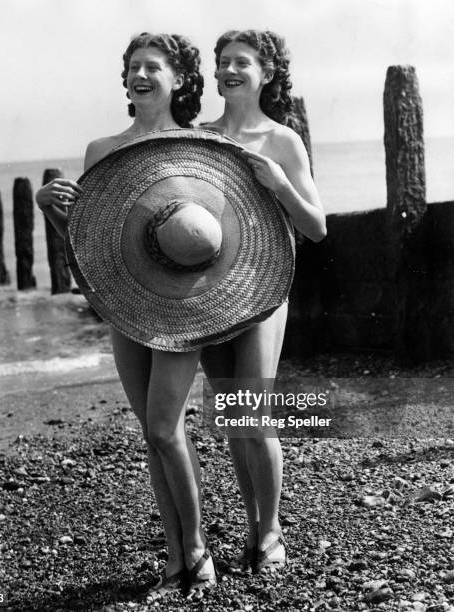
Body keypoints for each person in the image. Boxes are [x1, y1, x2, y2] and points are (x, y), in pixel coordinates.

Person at [35, 33, 215, 600]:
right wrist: (50, 210)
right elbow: (91, 248)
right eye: (133, 67)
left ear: (179, 79)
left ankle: (197, 549)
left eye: (152, 67)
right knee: (152, 435)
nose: (140, 76)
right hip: (125, 302)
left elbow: (216, 239)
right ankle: (172, 554)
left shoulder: (203, 146)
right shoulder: (101, 150)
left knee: (166, 427)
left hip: (182, 306)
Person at [200, 30, 326, 573]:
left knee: (257, 412)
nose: (229, 71)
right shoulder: (199, 136)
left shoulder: (282, 141)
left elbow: (316, 228)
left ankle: (270, 531)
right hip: (208, 294)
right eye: (222, 62)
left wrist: (277, 182)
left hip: (266, 289)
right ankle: (253, 522)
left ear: (267, 73)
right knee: (233, 416)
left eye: (241, 63)